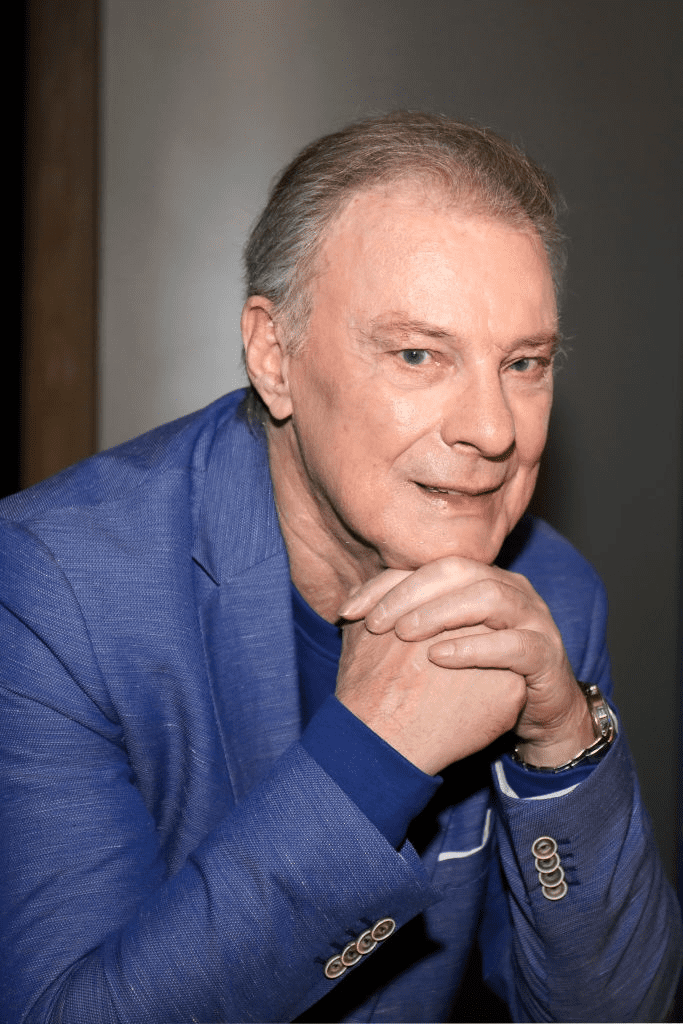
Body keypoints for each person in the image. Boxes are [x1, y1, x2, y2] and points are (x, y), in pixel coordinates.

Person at [1, 112, 680, 1024]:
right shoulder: (58, 587)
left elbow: (619, 1013)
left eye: (524, 362)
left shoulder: (546, 599)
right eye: (416, 354)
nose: (493, 429)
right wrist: (370, 762)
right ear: (275, 358)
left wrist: (562, 744)